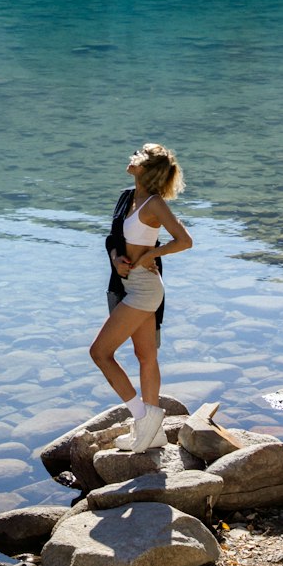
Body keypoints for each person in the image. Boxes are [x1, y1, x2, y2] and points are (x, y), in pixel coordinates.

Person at [89, 142, 192, 452]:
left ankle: (141, 416)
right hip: (127, 283)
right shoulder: (126, 198)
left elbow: (184, 241)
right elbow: (112, 237)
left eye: (137, 156)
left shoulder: (154, 204)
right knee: (145, 357)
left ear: (146, 168)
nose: (131, 158)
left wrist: (153, 255)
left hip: (144, 288)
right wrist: (115, 257)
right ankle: (154, 433)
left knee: (100, 353)